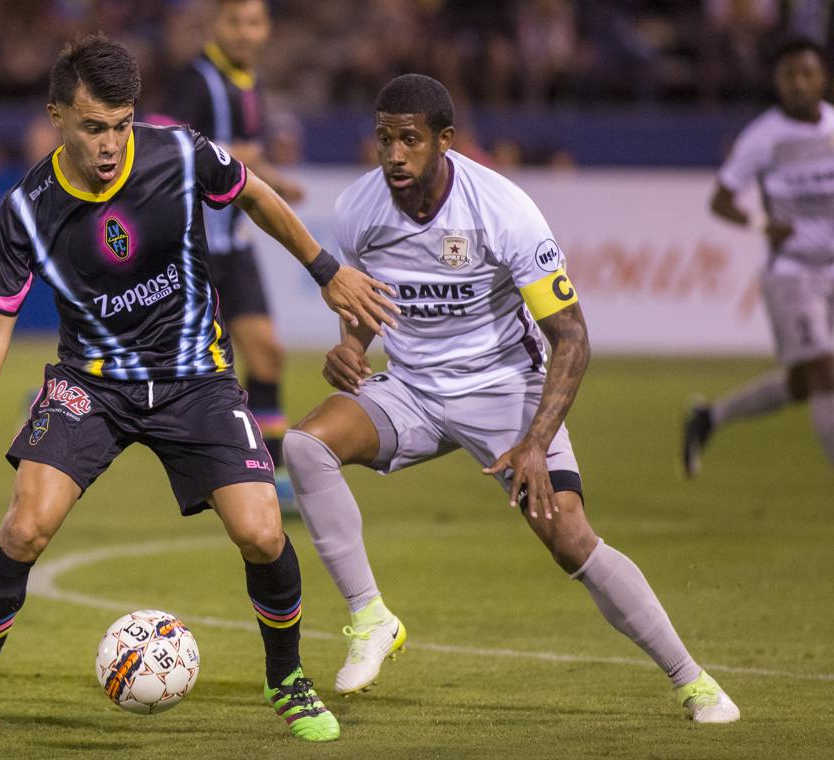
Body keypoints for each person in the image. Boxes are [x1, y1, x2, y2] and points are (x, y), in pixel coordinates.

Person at [0, 34, 397, 744]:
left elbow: (254, 193)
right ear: (57, 116)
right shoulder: (27, 208)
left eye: (121, 125)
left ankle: (287, 680)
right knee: (25, 526)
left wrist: (324, 268)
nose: (111, 144)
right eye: (93, 127)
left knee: (262, 532)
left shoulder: (178, 154)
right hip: (92, 385)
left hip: (195, 380)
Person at [282, 74, 741, 724]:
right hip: (413, 390)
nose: (394, 155)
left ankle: (692, 680)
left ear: (445, 140)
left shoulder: (503, 210)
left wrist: (534, 442)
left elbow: (572, 337)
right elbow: (365, 302)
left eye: (410, 140)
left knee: (570, 538)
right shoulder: (359, 208)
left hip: (505, 391)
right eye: (384, 139)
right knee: (305, 446)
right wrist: (351, 348)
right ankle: (371, 616)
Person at [161, 0, 305, 512]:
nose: (245, 32)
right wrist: (230, 153)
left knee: (266, 353)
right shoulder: (194, 81)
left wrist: (276, 181)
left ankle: (272, 475)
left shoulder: (251, 84)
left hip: (234, 244)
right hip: (188, 247)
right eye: (234, 22)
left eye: (254, 22)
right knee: (155, 366)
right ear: (214, 25)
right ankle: (54, 399)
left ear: (267, 29)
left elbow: (245, 161)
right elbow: (160, 142)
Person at [684, 37, 834, 476]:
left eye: (807, 73)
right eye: (790, 75)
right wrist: (761, 224)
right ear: (777, 82)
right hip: (793, 273)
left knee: (802, 383)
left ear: (823, 78)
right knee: (824, 373)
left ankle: (710, 417)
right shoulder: (763, 137)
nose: (799, 83)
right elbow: (721, 200)